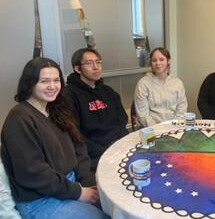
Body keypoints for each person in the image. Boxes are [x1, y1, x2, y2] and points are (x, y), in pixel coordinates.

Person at [1, 57, 108, 219]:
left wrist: (87, 182)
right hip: (40, 199)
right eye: (44, 81)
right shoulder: (19, 119)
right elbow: (34, 174)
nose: (52, 86)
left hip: (68, 185)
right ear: (30, 83)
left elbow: (79, 148)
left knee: (113, 206)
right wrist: (79, 192)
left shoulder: (56, 110)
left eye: (56, 80)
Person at [64, 48, 128, 172]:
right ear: (77, 69)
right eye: (89, 63)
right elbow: (74, 135)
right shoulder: (69, 96)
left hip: (117, 146)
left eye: (98, 62)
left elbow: (122, 119)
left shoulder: (108, 91)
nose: (96, 67)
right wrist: (105, 151)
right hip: (92, 155)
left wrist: (119, 144)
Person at [134, 47, 188, 127]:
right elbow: (143, 115)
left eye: (161, 59)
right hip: (151, 130)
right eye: (154, 60)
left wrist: (174, 127)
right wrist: (158, 130)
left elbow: (182, 110)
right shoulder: (143, 84)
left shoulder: (178, 83)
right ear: (151, 63)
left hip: (174, 128)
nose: (158, 63)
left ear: (168, 61)